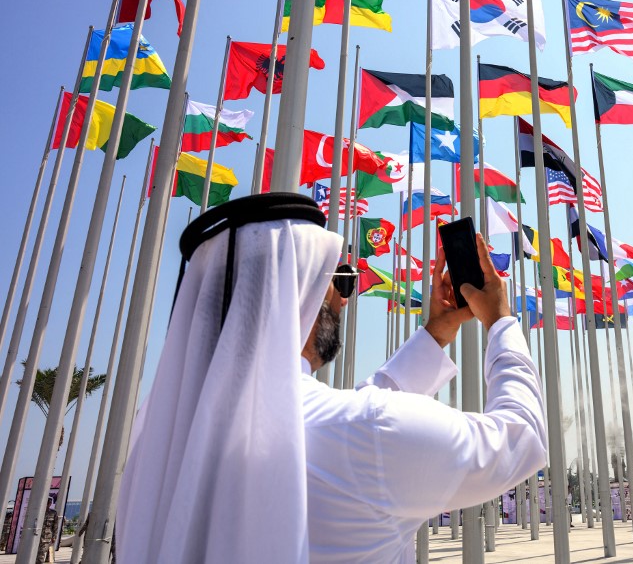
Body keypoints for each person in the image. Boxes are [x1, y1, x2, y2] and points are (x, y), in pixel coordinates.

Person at [115, 194, 548, 563]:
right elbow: (520, 437)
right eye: (339, 282)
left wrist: (437, 333)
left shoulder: (162, 441)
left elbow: (357, 431)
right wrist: (500, 320)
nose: (344, 300)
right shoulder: (363, 433)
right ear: (292, 295)